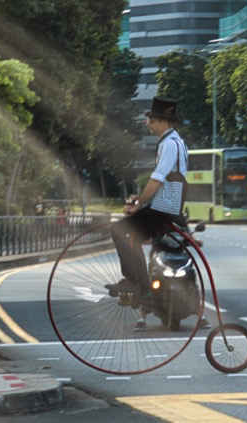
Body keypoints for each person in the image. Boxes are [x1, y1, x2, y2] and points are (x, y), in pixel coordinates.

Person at [105, 97, 209, 330]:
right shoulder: (173, 142)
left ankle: (135, 283)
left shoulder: (170, 144)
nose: (148, 124)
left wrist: (139, 204)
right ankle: (142, 288)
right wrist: (139, 204)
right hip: (170, 204)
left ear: (163, 121)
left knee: (118, 229)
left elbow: (157, 179)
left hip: (166, 205)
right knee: (134, 237)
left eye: (151, 120)